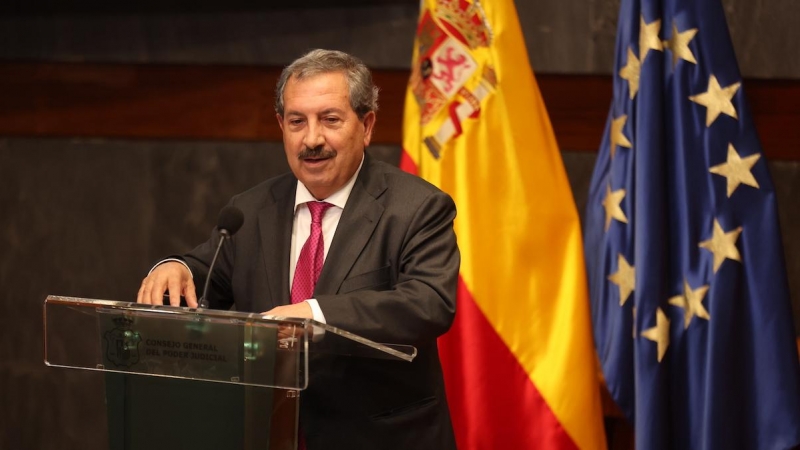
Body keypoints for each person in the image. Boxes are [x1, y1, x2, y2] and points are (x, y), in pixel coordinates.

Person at [136, 49, 459, 450]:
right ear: (281, 126)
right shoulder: (251, 209)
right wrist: (175, 266)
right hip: (269, 433)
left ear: (367, 124)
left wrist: (314, 314)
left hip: (380, 437)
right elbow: (207, 270)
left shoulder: (416, 207)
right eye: (296, 122)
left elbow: (429, 303)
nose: (312, 139)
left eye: (330, 119)